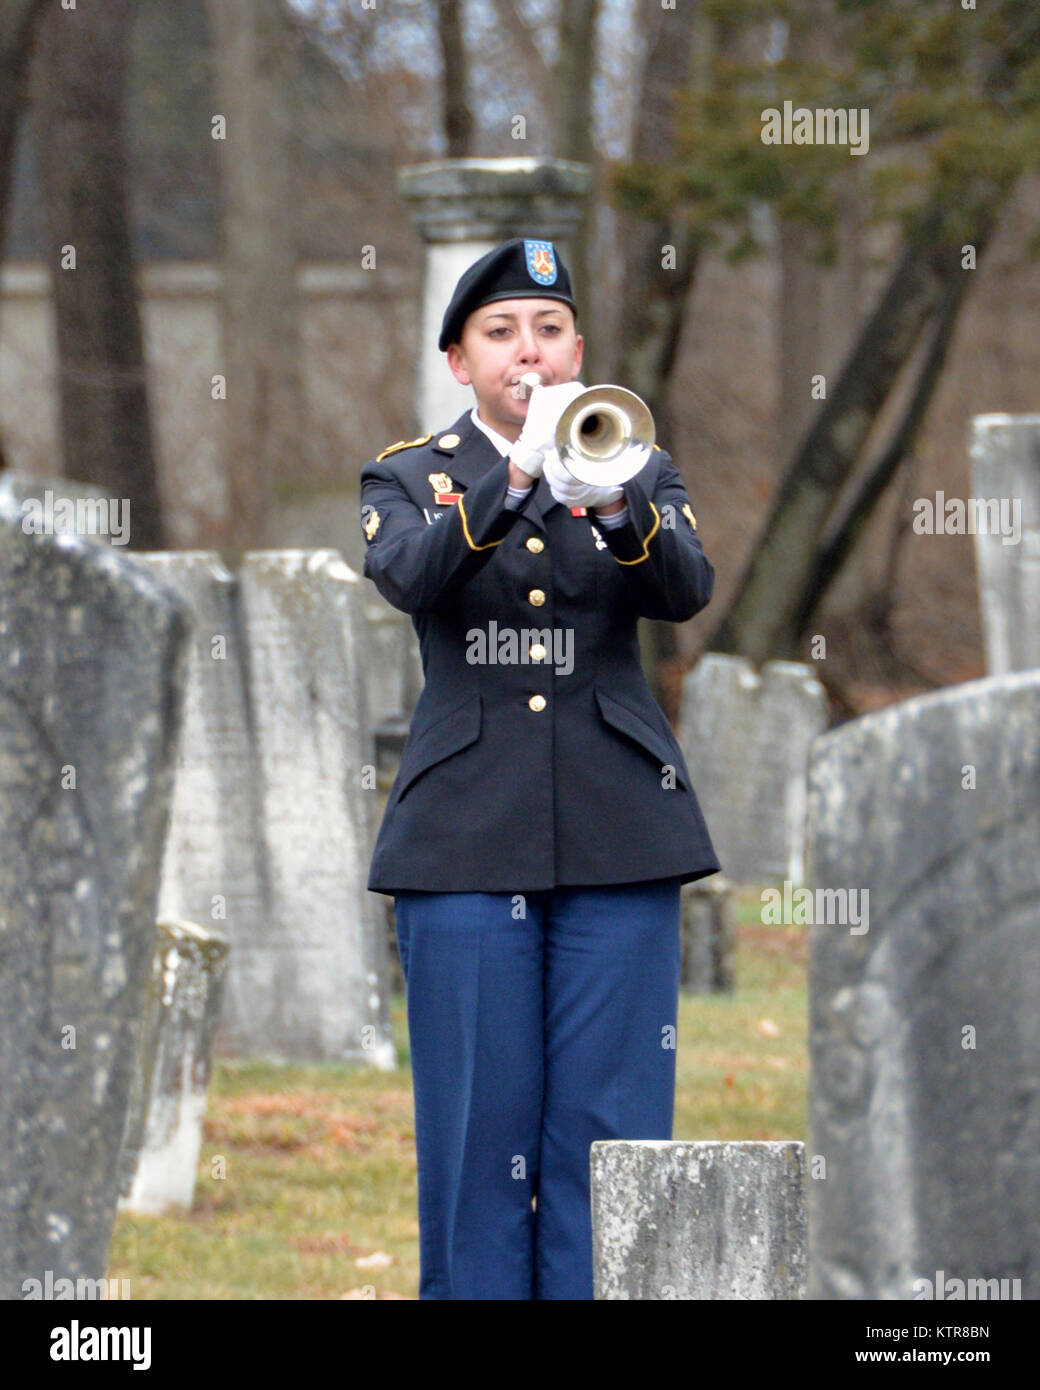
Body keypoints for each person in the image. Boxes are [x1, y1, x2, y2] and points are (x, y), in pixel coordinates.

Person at [359, 237, 720, 1300]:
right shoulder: (409, 474)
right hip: (464, 836)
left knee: (609, 1140)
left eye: (549, 329)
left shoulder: (636, 466)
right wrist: (512, 478)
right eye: (501, 332)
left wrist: (609, 503)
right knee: (477, 1133)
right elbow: (412, 577)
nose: (530, 351)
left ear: (578, 350)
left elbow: (685, 589)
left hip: (621, 827)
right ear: (459, 361)